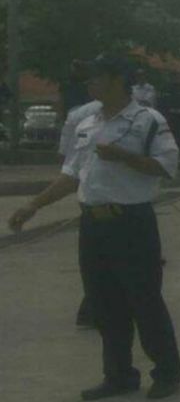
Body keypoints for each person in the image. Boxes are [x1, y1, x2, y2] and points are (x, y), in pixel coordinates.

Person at [9, 54, 180, 399]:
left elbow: (167, 167)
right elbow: (71, 174)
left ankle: (166, 371)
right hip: (93, 225)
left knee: (144, 300)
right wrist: (33, 205)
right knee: (104, 304)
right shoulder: (86, 121)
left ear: (118, 80)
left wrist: (125, 157)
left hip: (131, 223)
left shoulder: (147, 120)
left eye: (96, 78)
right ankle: (119, 375)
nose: (89, 84)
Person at [58, 97, 104, 328]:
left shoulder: (143, 117)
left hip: (122, 206)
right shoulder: (84, 118)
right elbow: (70, 168)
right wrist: (34, 205)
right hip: (96, 205)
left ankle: (95, 309)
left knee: (99, 264)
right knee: (96, 264)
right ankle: (94, 310)